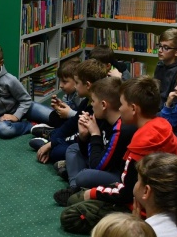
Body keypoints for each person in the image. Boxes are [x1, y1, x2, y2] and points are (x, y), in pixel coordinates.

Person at [74, 76, 177, 208]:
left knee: (73, 213)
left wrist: (91, 194)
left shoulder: (139, 143)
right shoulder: (164, 126)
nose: (119, 109)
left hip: (143, 207)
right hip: (168, 202)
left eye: (122, 104)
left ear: (134, 109)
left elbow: (126, 193)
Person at [53, 77, 136, 206]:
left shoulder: (120, 129)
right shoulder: (102, 118)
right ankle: (75, 188)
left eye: (93, 101)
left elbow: (99, 165)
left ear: (103, 105)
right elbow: (89, 152)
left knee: (83, 176)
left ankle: (76, 183)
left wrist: (95, 134)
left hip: (117, 174)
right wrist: (83, 137)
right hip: (101, 160)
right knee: (73, 148)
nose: (91, 104)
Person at [0, 43, 53, 139]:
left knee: (55, 117)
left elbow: (26, 100)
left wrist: (16, 116)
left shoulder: (10, 79)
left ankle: (40, 122)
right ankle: (32, 125)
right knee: (4, 130)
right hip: (2, 117)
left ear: (1, 63)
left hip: (24, 108)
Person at [31, 59, 108, 164]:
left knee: (57, 152)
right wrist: (53, 142)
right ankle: (50, 140)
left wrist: (52, 144)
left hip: (87, 145)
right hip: (78, 138)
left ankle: (48, 143)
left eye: (77, 83)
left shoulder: (96, 109)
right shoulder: (86, 101)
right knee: (58, 133)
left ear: (88, 85)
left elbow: (80, 137)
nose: (75, 86)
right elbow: (71, 124)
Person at [32, 57, 82, 133]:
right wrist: (59, 107)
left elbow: (83, 116)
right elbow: (66, 107)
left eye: (64, 82)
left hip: (77, 123)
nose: (61, 85)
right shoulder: (68, 94)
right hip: (70, 119)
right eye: (60, 81)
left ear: (76, 81)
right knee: (53, 115)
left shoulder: (81, 96)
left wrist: (69, 113)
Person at [154, 28, 177, 108]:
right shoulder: (160, 65)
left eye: (166, 47)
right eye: (160, 46)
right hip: (155, 105)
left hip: (169, 109)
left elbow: (176, 102)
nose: (160, 50)